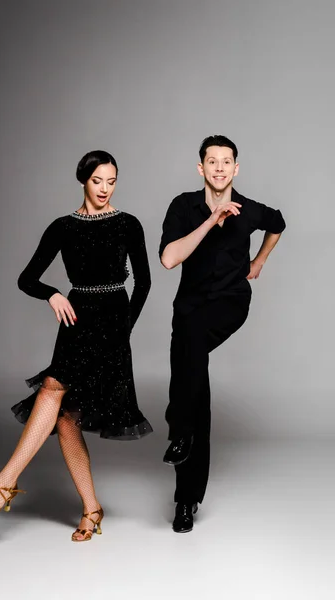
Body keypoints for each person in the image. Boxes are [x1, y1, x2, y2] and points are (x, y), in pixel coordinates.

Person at [0, 150, 152, 542]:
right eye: (97, 180)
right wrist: (53, 294)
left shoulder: (128, 224)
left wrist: (125, 330)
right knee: (64, 413)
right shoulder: (62, 227)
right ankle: (91, 509)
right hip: (76, 318)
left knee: (55, 393)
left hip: (113, 324)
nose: (104, 188)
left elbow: (145, 284)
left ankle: (3, 485)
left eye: (112, 181)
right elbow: (26, 278)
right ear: (82, 180)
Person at [159, 135, 286, 533]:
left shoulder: (249, 210)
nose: (218, 168)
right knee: (195, 383)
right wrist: (211, 220)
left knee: (189, 353)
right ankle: (186, 500)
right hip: (189, 308)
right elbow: (168, 259)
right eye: (211, 162)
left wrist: (260, 260)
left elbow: (278, 222)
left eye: (225, 161)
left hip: (230, 304)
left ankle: (178, 434)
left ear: (236, 168)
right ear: (201, 169)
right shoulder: (184, 206)